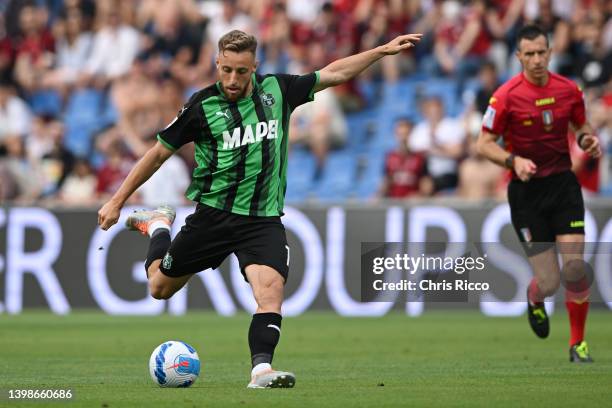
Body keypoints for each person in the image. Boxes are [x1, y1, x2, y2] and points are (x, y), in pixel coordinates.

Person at [98, 29, 422, 388]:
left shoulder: (278, 90)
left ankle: (261, 370)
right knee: (159, 287)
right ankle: (159, 224)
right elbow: (158, 153)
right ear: (217, 64)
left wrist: (379, 50)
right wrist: (117, 200)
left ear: (255, 66)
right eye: (226, 70)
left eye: (241, 71)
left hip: (263, 219)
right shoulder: (200, 106)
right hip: (213, 216)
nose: (232, 79)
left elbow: (335, 73)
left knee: (270, 290)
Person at [477, 25, 602, 363]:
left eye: (540, 53)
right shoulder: (504, 97)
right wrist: (512, 160)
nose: (535, 60)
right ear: (518, 56)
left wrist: (587, 140)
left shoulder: (569, 90)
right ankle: (535, 300)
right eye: (528, 54)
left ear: (550, 53)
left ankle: (578, 345)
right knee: (548, 282)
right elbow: (483, 143)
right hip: (527, 193)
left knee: (575, 269)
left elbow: (582, 126)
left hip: (563, 185)